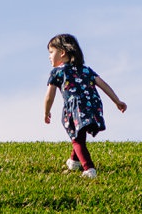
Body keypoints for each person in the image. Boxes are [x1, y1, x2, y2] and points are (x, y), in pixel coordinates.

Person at [43, 33, 126, 179]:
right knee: (79, 134)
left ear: (62, 53)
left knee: (77, 140)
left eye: (51, 52)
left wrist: (46, 111)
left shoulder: (57, 72)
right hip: (92, 105)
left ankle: (89, 169)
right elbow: (103, 85)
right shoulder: (86, 70)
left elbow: (50, 96)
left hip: (75, 108)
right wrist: (117, 101)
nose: (49, 56)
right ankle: (74, 161)